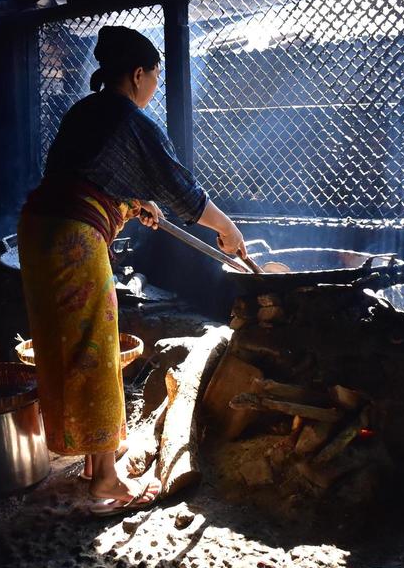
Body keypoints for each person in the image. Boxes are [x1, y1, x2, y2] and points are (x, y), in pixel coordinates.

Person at [18, 25, 247, 515]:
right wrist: (225, 228)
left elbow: (80, 175)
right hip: (72, 239)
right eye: (155, 79)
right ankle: (105, 480)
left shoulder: (86, 111)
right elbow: (182, 192)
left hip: (38, 230)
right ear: (138, 74)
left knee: (66, 343)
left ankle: (89, 459)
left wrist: (130, 200)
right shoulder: (131, 120)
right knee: (95, 347)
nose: (155, 89)